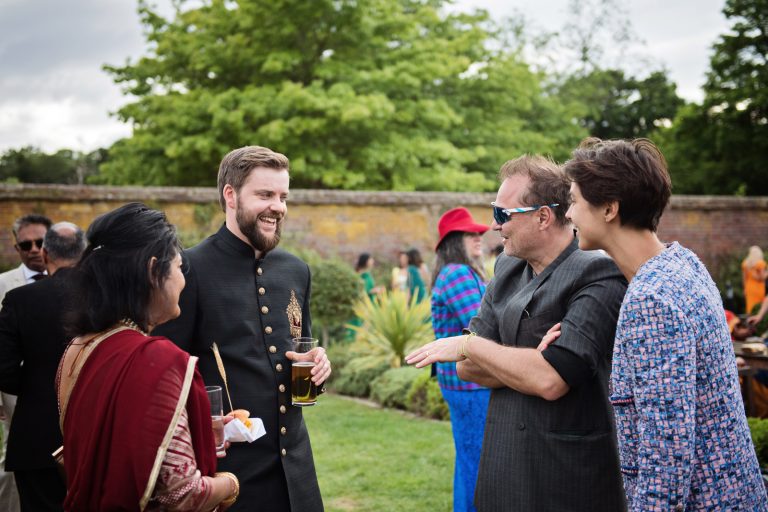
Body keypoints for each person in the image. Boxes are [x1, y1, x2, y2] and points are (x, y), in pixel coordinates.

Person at [407, 155, 627, 511]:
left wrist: (473, 345)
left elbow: (550, 380)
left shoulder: (598, 273)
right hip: (504, 465)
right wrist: (527, 359)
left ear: (543, 216)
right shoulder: (508, 267)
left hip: (566, 478)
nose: (496, 227)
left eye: (502, 215)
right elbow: (466, 368)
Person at [562, 138, 766, 509]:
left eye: (574, 200)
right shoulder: (683, 264)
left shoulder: (651, 300)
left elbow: (666, 458)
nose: (568, 214)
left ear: (609, 208)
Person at [155, 146, 331, 511]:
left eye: (283, 197)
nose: (278, 207)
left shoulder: (297, 270)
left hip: (297, 472)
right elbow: (166, 379)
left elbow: (302, 349)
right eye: (265, 194)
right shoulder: (189, 269)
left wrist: (318, 368)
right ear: (230, 196)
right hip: (227, 476)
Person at [56, 203, 239, 511]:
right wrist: (230, 484)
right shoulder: (160, 359)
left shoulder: (76, 350)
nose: (183, 281)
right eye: (179, 268)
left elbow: (109, 448)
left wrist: (196, 433)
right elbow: (183, 495)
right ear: (154, 270)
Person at [0, 222, 85, 511]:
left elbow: (3, 369)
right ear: (83, 253)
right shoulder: (106, 296)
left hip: (36, 435)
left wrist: (36, 383)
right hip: (95, 431)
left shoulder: (21, 299)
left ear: (46, 253)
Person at [430, 207, 490, 512]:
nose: (479, 237)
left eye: (478, 232)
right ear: (453, 241)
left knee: (469, 458)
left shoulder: (460, 272)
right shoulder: (457, 273)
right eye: (470, 234)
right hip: (470, 385)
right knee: (477, 463)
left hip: (467, 383)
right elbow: (482, 324)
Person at [0, 213, 51, 512]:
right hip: (14, 388)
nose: (33, 249)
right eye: (25, 244)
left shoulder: (69, 281)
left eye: (39, 242)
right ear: (17, 248)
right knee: (13, 457)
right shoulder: (4, 284)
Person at [743, 245, 767, 314]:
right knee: (759, 307)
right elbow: (761, 278)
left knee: (750, 308)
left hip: (749, 288)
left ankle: (750, 321)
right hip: (758, 288)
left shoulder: (746, 263)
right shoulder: (760, 263)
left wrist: (745, 289)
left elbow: (744, 278)